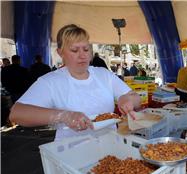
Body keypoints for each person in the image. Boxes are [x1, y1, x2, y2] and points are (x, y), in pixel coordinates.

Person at [9, 24, 141, 141]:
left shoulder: (103, 74)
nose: (82, 55)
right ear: (60, 53)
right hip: (69, 152)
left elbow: (136, 98)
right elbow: (17, 113)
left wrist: (126, 99)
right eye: (74, 50)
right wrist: (63, 116)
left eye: (86, 49)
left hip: (110, 146)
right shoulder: (50, 81)